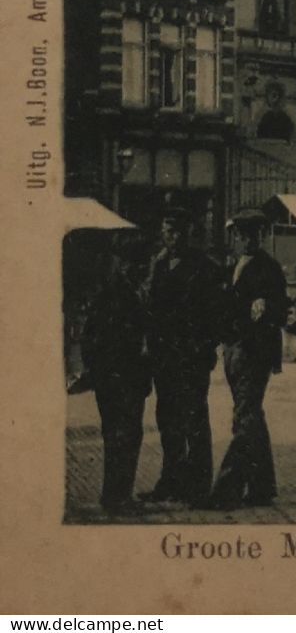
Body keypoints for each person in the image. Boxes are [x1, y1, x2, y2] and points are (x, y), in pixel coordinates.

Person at [141, 203, 224, 505]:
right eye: (165, 232)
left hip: (191, 359)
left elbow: (216, 317)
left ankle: (199, 487)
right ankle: (171, 481)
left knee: (194, 421)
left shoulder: (206, 268)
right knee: (168, 421)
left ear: (188, 233)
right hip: (164, 358)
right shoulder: (159, 265)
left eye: (175, 232)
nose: (170, 238)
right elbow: (151, 309)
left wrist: (203, 347)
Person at [208, 209, 290, 510]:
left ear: (262, 236)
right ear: (235, 237)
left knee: (245, 418)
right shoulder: (232, 267)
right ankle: (261, 486)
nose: (248, 240)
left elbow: (281, 312)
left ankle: (226, 490)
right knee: (252, 416)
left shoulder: (270, 269)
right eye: (243, 235)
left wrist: (266, 307)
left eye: (255, 234)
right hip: (234, 351)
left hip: (255, 353)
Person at [80, 230, 153, 516]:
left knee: (120, 437)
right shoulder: (118, 295)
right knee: (122, 436)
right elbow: (97, 339)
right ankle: (116, 498)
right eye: (140, 264)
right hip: (120, 380)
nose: (144, 269)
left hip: (119, 380)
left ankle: (117, 495)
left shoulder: (122, 292)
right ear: (127, 265)